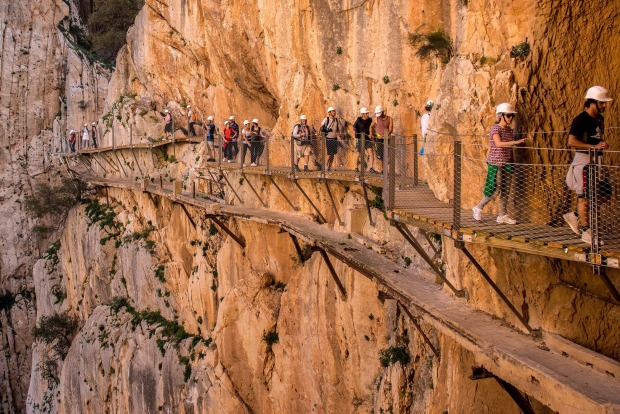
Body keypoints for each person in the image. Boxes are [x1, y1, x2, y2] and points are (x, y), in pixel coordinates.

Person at [564, 86, 613, 244]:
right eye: (602, 103)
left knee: (605, 193)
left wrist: (600, 145)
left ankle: (575, 216)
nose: (604, 106)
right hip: (584, 162)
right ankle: (586, 232)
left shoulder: (600, 119)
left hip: (596, 162)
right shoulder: (580, 119)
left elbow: (595, 139)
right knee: (584, 197)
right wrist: (594, 147)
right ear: (592, 102)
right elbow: (571, 141)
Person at [472, 103, 526, 224]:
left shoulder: (508, 130)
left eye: (512, 116)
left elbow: (508, 146)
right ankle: (478, 207)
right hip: (496, 163)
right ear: (501, 115)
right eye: (508, 115)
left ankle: (502, 215)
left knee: (506, 190)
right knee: (495, 189)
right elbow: (498, 143)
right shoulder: (495, 129)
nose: (511, 118)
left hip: (507, 163)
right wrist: (515, 142)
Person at [370, 105, 393, 173]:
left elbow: (390, 129)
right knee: (380, 155)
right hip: (378, 139)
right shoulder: (376, 119)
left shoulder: (390, 119)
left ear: (383, 112)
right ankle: (382, 169)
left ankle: (385, 169)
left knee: (386, 154)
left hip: (386, 139)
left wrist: (383, 135)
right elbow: (371, 126)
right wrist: (371, 134)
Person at [321, 107, 344, 171]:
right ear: (329, 112)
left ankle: (330, 166)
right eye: (333, 111)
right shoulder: (326, 119)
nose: (334, 112)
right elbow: (321, 127)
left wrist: (339, 134)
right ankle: (325, 166)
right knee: (329, 153)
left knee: (333, 153)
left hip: (334, 138)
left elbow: (337, 128)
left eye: (334, 111)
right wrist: (322, 133)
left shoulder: (336, 120)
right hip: (329, 138)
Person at [353, 107, 375, 173]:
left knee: (371, 153)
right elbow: (354, 127)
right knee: (358, 153)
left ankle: (371, 168)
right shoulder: (358, 120)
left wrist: (372, 136)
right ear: (363, 114)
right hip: (360, 139)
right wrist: (354, 132)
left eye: (367, 113)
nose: (368, 114)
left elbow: (372, 128)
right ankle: (356, 168)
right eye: (366, 113)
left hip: (368, 139)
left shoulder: (370, 120)